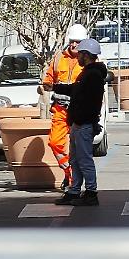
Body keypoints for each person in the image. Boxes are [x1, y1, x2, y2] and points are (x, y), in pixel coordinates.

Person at [52, 38, 109, 207]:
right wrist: (56, 87)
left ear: (86, 55)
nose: (77, 58)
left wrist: (86, 120)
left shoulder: (93, 75)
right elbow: (74, 90)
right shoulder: (88, 73)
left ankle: (91, 193)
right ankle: (74, 191)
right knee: (75, 160)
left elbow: (87, 101)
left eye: (80, 55)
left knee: (84, 160)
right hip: (78, 124)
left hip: (84, 124)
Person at [40, 24, 87, 190]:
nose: (74, 45)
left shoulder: (87, 60)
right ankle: (70, 172)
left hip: (79, 110)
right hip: (60, 108)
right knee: (54, 143)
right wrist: (45, 85)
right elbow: (49, 77)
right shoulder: (59, 58)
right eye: (72, 41)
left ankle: (75, 180)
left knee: (78, 147)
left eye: (78, 42)